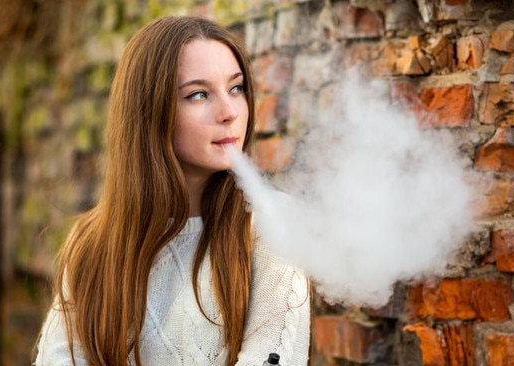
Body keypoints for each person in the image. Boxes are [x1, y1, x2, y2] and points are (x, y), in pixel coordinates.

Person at [34, 16, 310, 366]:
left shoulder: (273, 224)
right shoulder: (91, 243)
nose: (229, 112)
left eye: (236, 88)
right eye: (198, 94)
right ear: (150, 112)